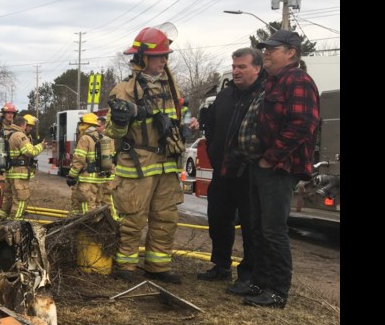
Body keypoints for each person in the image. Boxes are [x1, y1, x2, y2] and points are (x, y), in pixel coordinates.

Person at [106, 27, 197, 284]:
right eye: (159, 56)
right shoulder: (123, 90)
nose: (164, 61)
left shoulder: (171, 89)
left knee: (165, 217)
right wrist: (123, 119)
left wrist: (189, 123)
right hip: (138, 163)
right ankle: (125, 265)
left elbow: (184, 113)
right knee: (133, 216)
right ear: (143, 58)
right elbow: (112, 130)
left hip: (167, 163)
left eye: (166, 56)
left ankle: (158, 265)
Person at [240, 30, 320, 308]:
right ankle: (260, 284)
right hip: (261, 166)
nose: (267, 53)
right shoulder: (273, 82)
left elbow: (302, 124)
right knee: (259, 228)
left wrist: (270, 157)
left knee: (273, 230)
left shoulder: (298, 80)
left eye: (273, 49)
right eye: (266, 48)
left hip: (279, 168)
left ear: (291, 53)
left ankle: (277, 291)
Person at [196, 47, 265, 291]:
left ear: (257, 68)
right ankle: (221, 266)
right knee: (218, 219)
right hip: (223, 171)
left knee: (250, 225)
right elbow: (211, 126)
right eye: (234, 66)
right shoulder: (225, 96)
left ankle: (248, 275)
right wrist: (215, 149)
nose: (236, 71)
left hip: (250, 173)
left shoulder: (265, 94)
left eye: (242, 67)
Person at [65, 112, 117, 214]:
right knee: (97, 206)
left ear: (86, 125)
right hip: (100, 179)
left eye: (81, 124)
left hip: (87, 180)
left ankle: (88, 229)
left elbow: (79, 160)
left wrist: (71, 176)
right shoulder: (105, 138)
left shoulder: (85, 138)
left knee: (87, 208)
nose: (80, 127)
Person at [0, 113, 47, 220]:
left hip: (10, 172)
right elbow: (31, 152)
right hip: (19, 173)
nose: (29, 128)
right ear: (23, 125)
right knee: (21, 199)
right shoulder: (19, 135)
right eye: (28, 126)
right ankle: (14, 224)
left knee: (8, 198)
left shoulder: (8, 134)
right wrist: (42, 145)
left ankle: (1, 221)